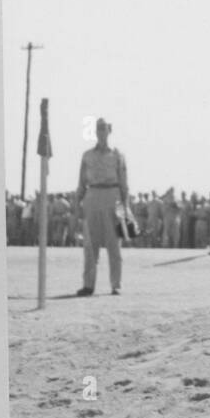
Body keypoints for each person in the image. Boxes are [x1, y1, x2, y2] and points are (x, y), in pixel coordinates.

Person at [75, 118, 129, 296]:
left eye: (104, 128)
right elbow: (81, 183)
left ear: (109, 131)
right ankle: (88, 285)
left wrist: (125, 211)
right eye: (98, 129)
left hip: (113, 198)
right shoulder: (87, 156)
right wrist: (77, 205)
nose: (101, 132)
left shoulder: (117, 155)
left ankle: (116, 284)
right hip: (92, 197)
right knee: (90, 244)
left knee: (114, 244)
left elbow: (124, 185)